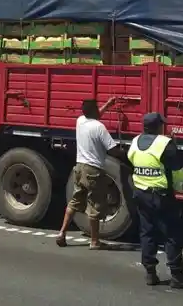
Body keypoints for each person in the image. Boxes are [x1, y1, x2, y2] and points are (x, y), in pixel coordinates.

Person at [127, 112, 183, 289]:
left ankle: (150, 273)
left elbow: (132, 161)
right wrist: (178, 188)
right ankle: (177, 275)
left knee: (147, 233)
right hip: (161, 196)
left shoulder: (134, 142)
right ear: (158, 126)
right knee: (172, 234)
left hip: (141, 194)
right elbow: (177, 170)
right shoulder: (165, 144)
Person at [55, 96, 120, 250]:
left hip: (79, 167)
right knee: (95, 205)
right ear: (94, 111)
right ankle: (94, 241)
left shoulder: (80, 121)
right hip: (93, 170)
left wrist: (107, 105)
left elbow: (95, 116)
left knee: (75, 201)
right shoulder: (99, 127)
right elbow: (113, 150)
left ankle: (61, 233)